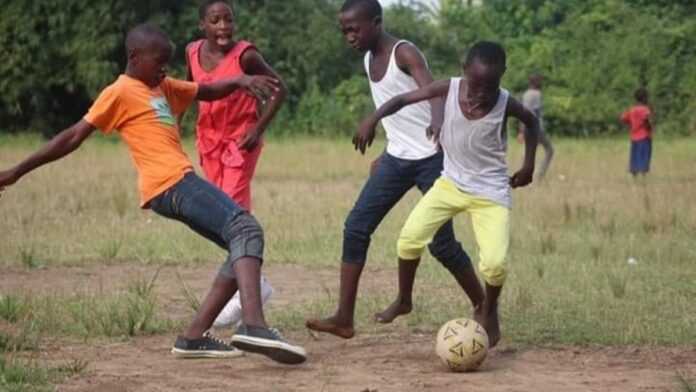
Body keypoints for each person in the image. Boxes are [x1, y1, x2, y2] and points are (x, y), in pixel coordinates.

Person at [0, 24, 305, 365]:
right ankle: (255, 325)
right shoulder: (120, 91)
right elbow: (72, 137)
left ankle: (193, 337)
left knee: (239, 247)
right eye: (159, 61)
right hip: (170, 183)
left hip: (176, 182)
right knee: (246, 230)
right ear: (134, 57)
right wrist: (15, 172)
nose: (165, 69)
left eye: (168, 63)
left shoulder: (161, 86)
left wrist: (240, 81)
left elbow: (206, 91)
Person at [306, 0, 484, 340]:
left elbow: (431, 89)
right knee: (356, 227)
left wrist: (436, 119)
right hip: (396, 159)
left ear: (376, 22)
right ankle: (344, 317)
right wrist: (388, 149)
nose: (349, 36)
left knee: (441, 244)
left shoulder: (404, 52)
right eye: (344, 30)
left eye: (354, 29)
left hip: (433, 158)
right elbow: (398, 112)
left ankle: (482, 305)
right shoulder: (367, 59)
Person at [353, 41, 539, 347]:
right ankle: (403, 299)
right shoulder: (447, 88)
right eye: (476, 85)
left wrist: (529, 165)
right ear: (464, 71)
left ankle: (489, 310)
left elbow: (532, 122)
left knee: (494, 263)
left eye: (490, 87)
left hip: (490, 191)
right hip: (450, 184)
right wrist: (371, 119)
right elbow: (401, 100)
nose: (480, 94)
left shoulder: (506, 103)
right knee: (408, 240)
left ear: (502, 77)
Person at [184, 0, 281, 332]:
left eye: (228, 20)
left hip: (240, 141)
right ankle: (257, 281)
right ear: (203, 26)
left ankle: (245, 296)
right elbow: (189, 90)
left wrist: (258, 127)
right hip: (208, 142)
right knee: (218, 218)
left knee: (233, 217)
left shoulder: (246, 55)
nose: (223, 26)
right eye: (215, 20)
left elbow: (279, 89)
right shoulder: (192, 52)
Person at [518, 74, 553, 179]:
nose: (541, 83)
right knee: (549, 150)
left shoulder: (526, 94)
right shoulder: (537, 94)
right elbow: (536, 112)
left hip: (527, 128)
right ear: (536, 83)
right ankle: (539, 175)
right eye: (540, 81)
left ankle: (522, 175)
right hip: (536, 129)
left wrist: (521, 131)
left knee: (528, 153)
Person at [620, 87, 653, 177]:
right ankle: (643, 174)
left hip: (634, 137)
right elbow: (647, 119)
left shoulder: (632, 109)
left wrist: (631, 123)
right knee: (644, 155)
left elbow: (623, 118)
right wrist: (649, 127)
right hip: (644, 136)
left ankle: (634, 173)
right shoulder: (645, 109)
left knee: (635, 155)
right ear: (644, 98)